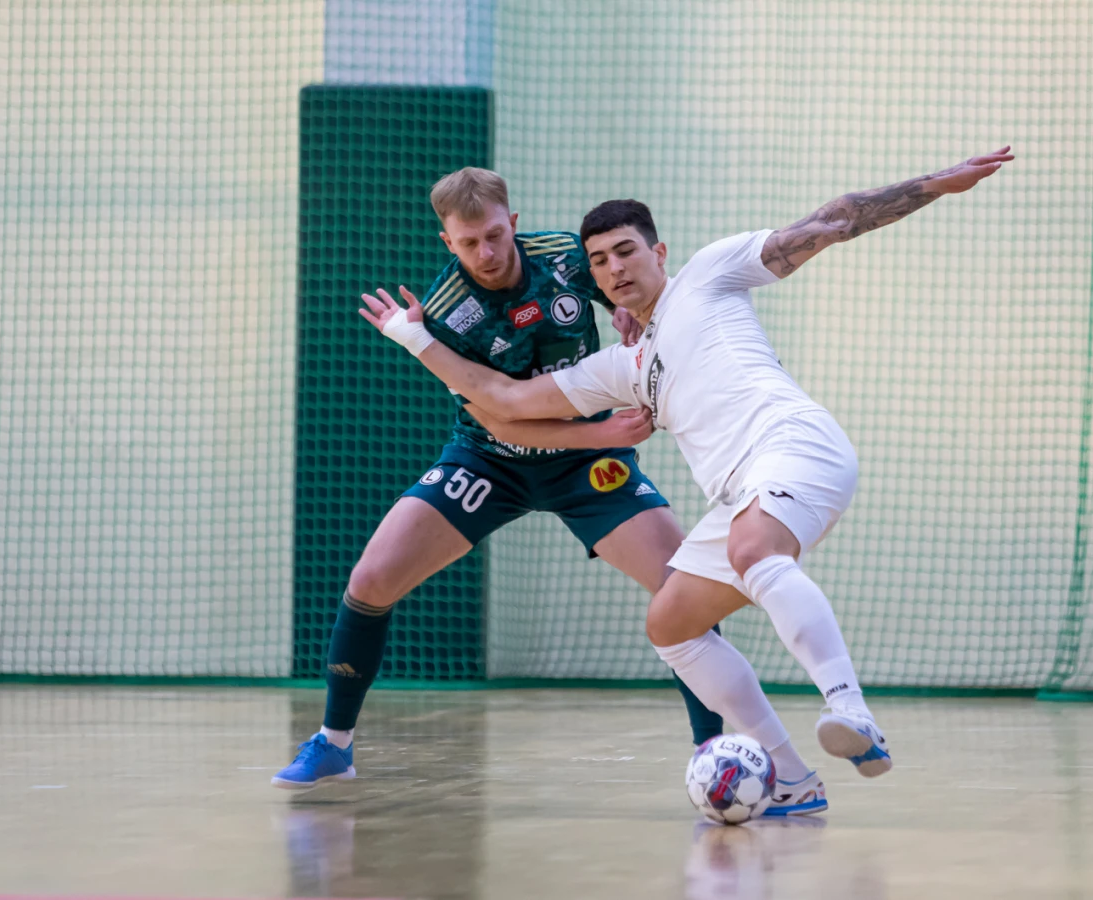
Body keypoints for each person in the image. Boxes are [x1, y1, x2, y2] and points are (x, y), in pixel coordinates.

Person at [365, 147, 1014, 804]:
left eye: (626, 251)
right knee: (671, 623)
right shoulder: (621, 367)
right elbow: (503, 401)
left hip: (793, 444)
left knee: (752, 550)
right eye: (599, 261)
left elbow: (832, 221)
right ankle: (792, 780)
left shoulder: (709, 274)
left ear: (659, 252)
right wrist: (416, 337)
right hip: (738, 495)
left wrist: (935, 184)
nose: (615, 268)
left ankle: (851, 711)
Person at [273, 167, 724, 791]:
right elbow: (499, 414)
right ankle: (333, 744)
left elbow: (631, 297)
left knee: (683, 587)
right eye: (468, 243)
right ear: (447, 242)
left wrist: (631, 318)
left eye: (493, 235)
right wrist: (600, 434)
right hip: (489, 458)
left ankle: (713, 750)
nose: (485, 253)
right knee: (370, 580)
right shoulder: (441, 314)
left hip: (584, 467)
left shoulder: (566, 256)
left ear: (512, 223)